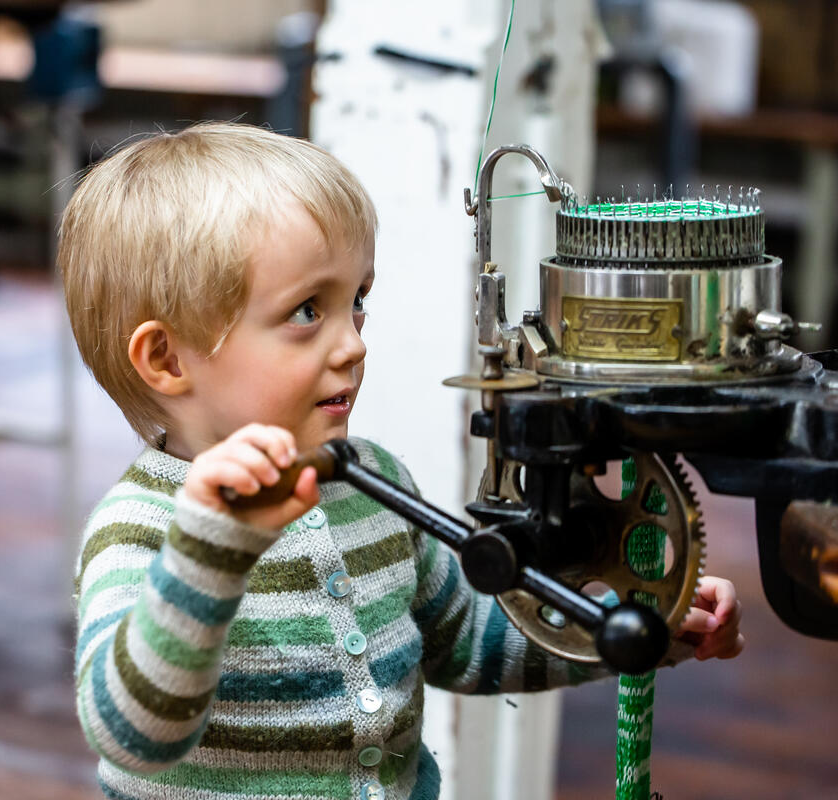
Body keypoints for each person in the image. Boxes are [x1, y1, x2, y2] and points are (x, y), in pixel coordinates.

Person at [60, 122, 744, 800]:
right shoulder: (142, 530)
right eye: (306, 311)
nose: (352, 344)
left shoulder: (374, 482)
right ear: (166, 359)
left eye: (356, 302)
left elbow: (470, 640)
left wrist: (631, 623)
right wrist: (207, 555)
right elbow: (132, 734)